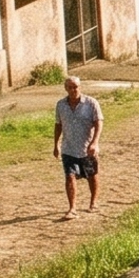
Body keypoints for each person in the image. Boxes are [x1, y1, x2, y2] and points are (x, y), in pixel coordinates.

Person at [53, 75, 103, 218]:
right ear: (65, 88)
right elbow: (58, 125)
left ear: (80, 87)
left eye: (75, 87)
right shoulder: (61, 105)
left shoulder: (91, 103)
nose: (73, 90)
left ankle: (93, 202)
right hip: (68, 148)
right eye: (70, 87)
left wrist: (95, 142)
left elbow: (99, 122)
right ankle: (72, 208)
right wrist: (56, 144)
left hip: (87, 148)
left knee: (92, 175)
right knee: (70, 176)